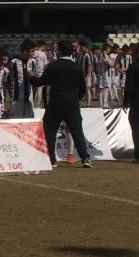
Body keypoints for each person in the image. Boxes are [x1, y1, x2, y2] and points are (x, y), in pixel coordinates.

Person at [29, 40, 92, 168]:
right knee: (77, 131)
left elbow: (41, 82)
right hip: (72, 103)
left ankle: (52, 159)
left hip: (56, 102)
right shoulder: (77, 67)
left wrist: (31, 76)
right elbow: (83, 88)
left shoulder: (54, 66)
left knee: (50, 130)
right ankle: (85, 158)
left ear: (59, 51)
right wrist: (75, 98)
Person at [9, 39, 36, 118]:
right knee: (16, 121)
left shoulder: (33, 62)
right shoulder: (13, 62)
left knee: (29, 120)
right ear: (25, 51)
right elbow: (8, 79)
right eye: (32, 51)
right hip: (17, 98)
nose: (33, 53)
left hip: (29, 97)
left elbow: (35, 77)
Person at [78, 40, 94, 107]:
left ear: (84, 46)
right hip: (81, 74)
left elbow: (90, 65)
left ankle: (89, 103)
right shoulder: (82, 54)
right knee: (80, 88)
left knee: (87, 88)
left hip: (87, 75)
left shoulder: (89, 54)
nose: (80, 48)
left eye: (80, 46)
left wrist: (88, 75)